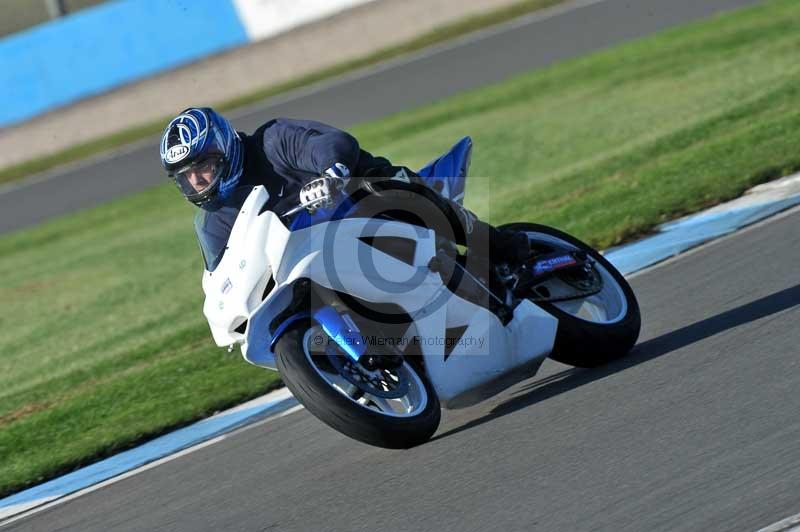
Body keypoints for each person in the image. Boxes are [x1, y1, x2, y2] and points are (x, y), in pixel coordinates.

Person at [159, 107, 529, 284]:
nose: (197, 180)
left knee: (389, 193)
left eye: (203, 165)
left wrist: (332, 170)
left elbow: (331, 142)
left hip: (364, 198)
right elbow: (226, 266)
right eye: (187, 176)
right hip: (324, 256)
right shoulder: (218, 218)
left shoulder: (271, 141)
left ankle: (504, 250)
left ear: (224, 149)